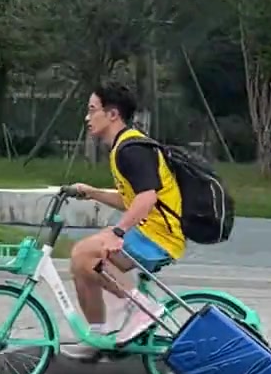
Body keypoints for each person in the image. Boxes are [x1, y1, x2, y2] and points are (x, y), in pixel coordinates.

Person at [68, 81, 186, 352]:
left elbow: (147, 198)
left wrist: (117, 232)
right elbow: (130, 199)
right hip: (151, 230)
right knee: (80, 265)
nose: (87, 117)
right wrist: (92, 192)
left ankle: (143, 308)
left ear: (112, 114)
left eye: (92, 109)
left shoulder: (131, 149)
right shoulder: (121, 147)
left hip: (158, 236)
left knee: (84, 254)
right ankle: (98, 337)